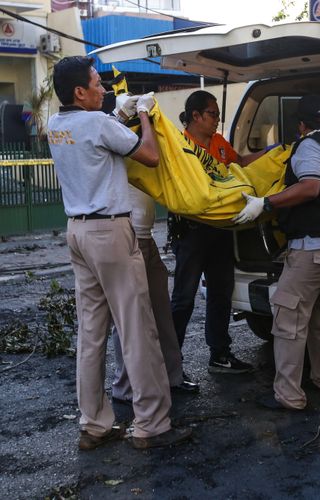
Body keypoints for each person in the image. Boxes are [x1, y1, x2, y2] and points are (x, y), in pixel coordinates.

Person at [47, 56, 191, 449]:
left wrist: (113, 113)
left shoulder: (55, 125)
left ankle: (94, 423)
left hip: (77, 233)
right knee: (137, 328)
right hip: (110, 232)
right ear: (79, 92)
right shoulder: (97, 123)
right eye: (96, 83)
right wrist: (143, 114)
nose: (104, 89)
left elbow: (98, 136)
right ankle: (151, 424)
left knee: (91, 334)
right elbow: (150, 155)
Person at [233, 94, 320, 410]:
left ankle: (288, 395)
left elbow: (311, 186)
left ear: (301, 125)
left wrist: (267, 202)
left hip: (315, 249)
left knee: (288, 321)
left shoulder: (308, 146)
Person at [169, 90, 260, 374]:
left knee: (221, 293)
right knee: (184, 298)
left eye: (218, 115)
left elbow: (240, 165)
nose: (217, 120)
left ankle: (220, 353)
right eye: (213, 114)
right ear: (195, 116)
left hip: (221, 229)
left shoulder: (219, 143)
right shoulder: (179, 144)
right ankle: (172, 364)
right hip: (191, 231)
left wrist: (274, 153)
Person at [111, 184, 200, 403]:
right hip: (128, 235)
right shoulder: (126, 149)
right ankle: (126, 387)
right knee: (129, 315)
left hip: (144, 235)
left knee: (161, 311)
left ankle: (171, 377)